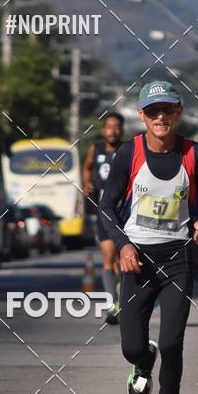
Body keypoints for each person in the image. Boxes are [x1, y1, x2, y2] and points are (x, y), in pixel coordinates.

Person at [100, 81, 198, 394]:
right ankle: (143, 361)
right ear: (142, 115)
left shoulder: (193, 153)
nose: (160, 117)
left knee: (172, 343)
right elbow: (106, 208)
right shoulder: (129, 154)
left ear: (178, 113)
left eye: (167, 110)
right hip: (137, 260)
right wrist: (123, 245)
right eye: (153, 111)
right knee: (131, 347)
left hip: (177, 259)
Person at [82, 112, 125, 325]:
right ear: (103, 130)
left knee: (122, 257)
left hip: (123, 210)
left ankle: (124, 298)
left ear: (122, 130)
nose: (112, 131)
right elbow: (87, 167)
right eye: (109, 127)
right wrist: (87, 183)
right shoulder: (95, 149)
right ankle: (112, 304)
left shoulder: (128, 150)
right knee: (108, 255)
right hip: (103, 210)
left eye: (117, 127)